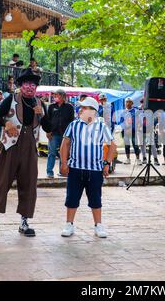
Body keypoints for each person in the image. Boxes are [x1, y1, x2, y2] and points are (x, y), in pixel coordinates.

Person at [0, 68, 50, 237]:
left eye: (33, 85)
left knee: (29, 184)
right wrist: (6, 124)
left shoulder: (40, 103)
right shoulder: (10, 99)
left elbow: (49, 127)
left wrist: (42, 115)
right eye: (26, 84)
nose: (30, 87)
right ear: (21, 86)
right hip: (10, 146)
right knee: (1, 180)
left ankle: (24, 222)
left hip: (30, 147)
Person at [59, 97, 116, 238]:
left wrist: (107, 163)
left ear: (93, 111)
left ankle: (98, 225)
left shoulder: (101, 126)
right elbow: (65, 144)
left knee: (96, 198)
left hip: (95, 170)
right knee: (72, 197)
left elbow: (112, 146)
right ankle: (69, 224)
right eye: (81, 108)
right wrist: (64, 163)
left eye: (84, 108)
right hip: (75, 168)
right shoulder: (74, 125)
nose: (80, 110)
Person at [46, 89, 75, 179]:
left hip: (65, 135)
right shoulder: (51, 107)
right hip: (53, 134)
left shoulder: (69, 107)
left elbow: (72, 121)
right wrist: (48, 131)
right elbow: (47, 120)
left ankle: (62, 171)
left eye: (57, 95)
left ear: (63, 96)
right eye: (54, 95)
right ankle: (49, 172)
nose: (55, 97)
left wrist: (71, 134)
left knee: (64, 153)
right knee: (52, 153)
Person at [120, 97, 141, 165]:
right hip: (125, 131)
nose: (128, 103)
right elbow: (121, 122)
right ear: (125, 103)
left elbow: (138, 120)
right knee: (127, 145)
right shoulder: (123, 112)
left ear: (132, 103)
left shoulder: (135, 111)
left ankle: (138, 159)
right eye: (127, 102)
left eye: (129, 102)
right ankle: (128, 159)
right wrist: (125, 128)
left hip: (133, 131)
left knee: (135, 145)